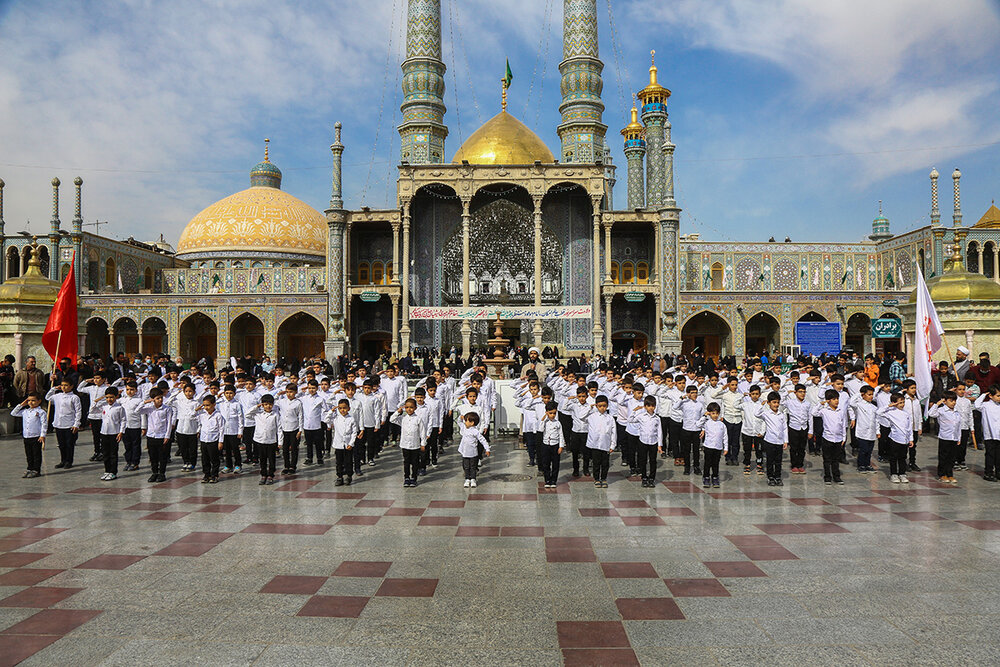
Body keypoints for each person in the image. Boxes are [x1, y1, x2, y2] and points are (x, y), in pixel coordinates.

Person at [810, 389, 847, 485]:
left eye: (837, 399)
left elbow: (843, 424)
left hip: (838, 439)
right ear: (828, 400)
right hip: (827, 438)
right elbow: (813, 412)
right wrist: (821, 403)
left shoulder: (840, 411)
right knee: (827, 459)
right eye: (834, 399)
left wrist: (844, 437)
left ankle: (837, 476)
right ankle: (827, 477)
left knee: (836, 459)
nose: (836, 401)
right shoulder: (824, 411)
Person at [45, 377, 82, 469]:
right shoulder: (57, 396)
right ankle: (63, 460)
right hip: (58, 423)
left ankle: (69, 461)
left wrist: (76, 424)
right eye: (62, 385)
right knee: (61, 444)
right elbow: (47, 397)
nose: (64, 387)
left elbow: (78, 411)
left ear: (71, 386)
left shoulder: (74, 397)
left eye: (66, 385)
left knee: (69, 444)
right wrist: (53, 389)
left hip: (70, 423)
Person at [878, 392, 914, 484]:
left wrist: (911, 439)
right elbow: (878, 412)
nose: (902, 404)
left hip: (904, 440)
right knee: (893, 457)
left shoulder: (906, 414)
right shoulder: (890, 412)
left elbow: (909, 427)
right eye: (900, 402)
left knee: (903, 457)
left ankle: (902, 473)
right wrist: (889, 406)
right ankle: (893, 474)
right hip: (894, 439)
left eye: (903, 402)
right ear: (894, 403)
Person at [139, 388, 174, 482]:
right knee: (152, 456)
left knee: (162, 456)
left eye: (161, 398)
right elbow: (137, 411)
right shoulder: (149, 408)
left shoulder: (167, 409)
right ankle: (154, 473)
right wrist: (145, 402)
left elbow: (169, 423)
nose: (160, 400)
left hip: (162, 436)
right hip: (151, 435)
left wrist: (167, 436)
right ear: (153, 399)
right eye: (158, 398)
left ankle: (162, 473)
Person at [391, 398, 427, 488]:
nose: (409, 409)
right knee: (406, 462)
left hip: (415, 445)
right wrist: (398, 412)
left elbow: (422, 432)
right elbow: (392, 419)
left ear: (415, 408)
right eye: (406, 407)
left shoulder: (418, 419)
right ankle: (406, 477)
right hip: (405, 444)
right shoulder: (403, 418)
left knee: (415, 462)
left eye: (411, 407)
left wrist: (423, 443)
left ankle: (414, 478)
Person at [757, 391, 788, 487]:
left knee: (778, 461)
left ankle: (777, 477)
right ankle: (770, 477)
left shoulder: (781, 415)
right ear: (769, 403)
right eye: (774, 402)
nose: (776, 405)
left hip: (779, 441)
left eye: (778, 402)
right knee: (770, 460)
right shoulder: (766, 413)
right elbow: (756, 414)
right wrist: (763, 406)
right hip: (769, 441)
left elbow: (784, 428)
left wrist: (785, 440)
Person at [929, 391, 961, 485]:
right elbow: (931, 413)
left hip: (954, 438)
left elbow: (958, 426)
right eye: (951, 401)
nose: (953, 403)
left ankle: (949, 474)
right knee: (943, 457)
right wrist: (937, 404)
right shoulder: (941, 410)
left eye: (954, 400)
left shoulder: (956, 412)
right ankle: (942, 474)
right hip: (945, 437)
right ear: (945, 401)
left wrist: (959, 437)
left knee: (952, 457)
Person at [12, 392, 46, 478]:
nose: (31, 402)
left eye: (33, 400)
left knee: (36, 454)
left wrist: (42, 435)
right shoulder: (25, 411)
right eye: (29, 400)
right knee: (29, 454)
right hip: (26, 436)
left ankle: (36, 470)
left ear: (39, 401)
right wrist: (21, 405)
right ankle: (29, 468)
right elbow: (13, 413)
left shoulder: (41, 412)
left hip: (36, 436)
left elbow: (44, 424)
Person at [586, 395, 617, 488]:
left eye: (604, 406)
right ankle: (596, 479)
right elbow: (581, 416)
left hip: (605, 444)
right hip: (595, 444)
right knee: (596, 463)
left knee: (605, 463)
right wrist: (589, 407)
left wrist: (613, 445)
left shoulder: (610, 418)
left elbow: (613, 432)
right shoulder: (591, 417)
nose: (602, 408)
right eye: (600, 406)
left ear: (607, 406)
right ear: (596, 406)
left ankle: (603, 478)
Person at [849, 385, 879, 473]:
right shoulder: (859, 404)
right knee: (863, 450)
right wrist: (859, 393)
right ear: (863, 395)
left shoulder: (874, 407)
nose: (871, 396)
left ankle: (867, 465)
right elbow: (851, 402)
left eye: (872, 394)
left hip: (872, 432)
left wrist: (877, 431)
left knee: (869, 450)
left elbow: (876, 420)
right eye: (869, 394)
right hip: (862, 432)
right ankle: (861, 465)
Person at [99, 387, 126, 481]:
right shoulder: (104, 407)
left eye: (111, 397)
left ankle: (113, 472)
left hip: (114, 433)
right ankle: (107, 471)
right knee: (105, 453)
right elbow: (93, 406)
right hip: (104, 432)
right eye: (107, 397)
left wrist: (121, 432)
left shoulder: (119, 408)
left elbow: (123, 420)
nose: (109, 399)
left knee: (113, 454)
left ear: (116, 397)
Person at [196, 394, 225, 484]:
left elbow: (221, 429)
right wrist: (197, 410)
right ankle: (206, 474)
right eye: (204, 405)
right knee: (205, 459)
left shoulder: (218, 415)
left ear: (214, 405)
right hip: (204, 439)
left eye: (208, 405)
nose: (206, 407)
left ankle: (214, 475)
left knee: (214, 459)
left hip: (213, 440)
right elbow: (195, 420)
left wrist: (220, 441)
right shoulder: (202, 415)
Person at [634, 395, 662, 487]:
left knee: (653, 461)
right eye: (649, 406)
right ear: (645, 406)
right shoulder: (641, 416)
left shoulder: (657, 418)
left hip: (653, 442)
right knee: (643, 460)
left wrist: (660, 445)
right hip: (643, 441)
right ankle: (644, 477)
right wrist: (635, 411)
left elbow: (659, 432)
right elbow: (630, 420)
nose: (651, 408)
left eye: (653, 406)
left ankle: (652, 478)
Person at [276, 384, 304, 475]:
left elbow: (300, 416)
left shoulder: (298, 403)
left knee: (294, 448)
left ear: (295, 392)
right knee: (285, 449)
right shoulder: (282, 401)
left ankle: (293, 466)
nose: (289, 394)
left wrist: (300, 429)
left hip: (294, 428)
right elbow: (272, 400)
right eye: (287, 392)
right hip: (284, 428)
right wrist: (279, 394)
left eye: (291, 392)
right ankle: (286, 466)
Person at [974, 387, 1000, 482]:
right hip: (989, 435)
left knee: (998, 455)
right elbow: (976, 405)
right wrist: (983, 395)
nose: (999, 398)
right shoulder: (985, 405)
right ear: (990, 396)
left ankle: (998, 472)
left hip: (999, 435)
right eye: (998, 396)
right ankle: (988, 472)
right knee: (990, 455)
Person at [218, 384, 245, 473]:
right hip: (224, 430)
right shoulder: (221, 404)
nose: (229, 395)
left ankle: (238, 465)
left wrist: (240, 431)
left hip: (234, 431)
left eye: (231, 393)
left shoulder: (237, 404)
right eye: (227, 393)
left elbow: (240, 418)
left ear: (234, 394)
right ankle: (228, 465)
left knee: (235, 449)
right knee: (226, 450)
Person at [458, 412, 489, 488]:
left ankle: (473, 479)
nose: (465, 422)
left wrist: (487, 448)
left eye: (466, 420)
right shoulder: (464, 429)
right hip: (465, 453)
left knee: (473, 467)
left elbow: (482, 440)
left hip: (473, 453)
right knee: (466, 467)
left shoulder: (475, 431)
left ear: (472, 423)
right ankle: (467, 479)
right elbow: (459, 422)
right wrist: (460, 417)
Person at [701, 402, 727, 488]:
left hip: (718, 447)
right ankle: (706, 477)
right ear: (709, 413)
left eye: (716, 413)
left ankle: (715, 477)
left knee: (716, 463)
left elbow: (725, 436)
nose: (715, 415)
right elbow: (698, 424)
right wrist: (705, 416)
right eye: (713, 413)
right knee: (707, 463)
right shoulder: (707, 423)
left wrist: (725, 448)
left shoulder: (722, 425)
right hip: (708, 446)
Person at [538, 401, 564, 488]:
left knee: (555, 464)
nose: (552, 415)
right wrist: (543, 419)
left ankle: (554, 480)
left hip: (555, 445)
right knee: (546, 463)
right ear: (547, 413)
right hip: (546, 445)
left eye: (554, 413)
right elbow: (540, 430)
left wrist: (561, 446)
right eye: (550, 413)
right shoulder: (544, 422)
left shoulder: (558, 423)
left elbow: (561, 434)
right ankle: (547, 480)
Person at [120, 382, 145, 472]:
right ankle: (128, 461)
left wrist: (143, 427)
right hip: (125, 426)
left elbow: (142, 414)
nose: (129, 391)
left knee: (135, 445)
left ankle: (135, 463)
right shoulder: (122, 400)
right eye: (127, 389)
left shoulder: (139, 400)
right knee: (127, 445)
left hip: (135, 426)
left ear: (136, 390)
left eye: (131, 389)